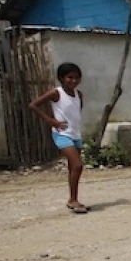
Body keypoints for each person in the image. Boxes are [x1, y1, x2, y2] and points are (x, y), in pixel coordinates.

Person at [29, 62, 88, 214]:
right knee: (77, 165)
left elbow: (76, 113)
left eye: (77, 78)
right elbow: (33, 105)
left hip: (75, 134)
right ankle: (73, 200)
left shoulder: (79, 95)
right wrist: (50, 120)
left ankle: (73, 199)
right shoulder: (56, 93)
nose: (74, 81)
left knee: (72, 168)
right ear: (62, 78)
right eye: (70, 77)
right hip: (62, 134)